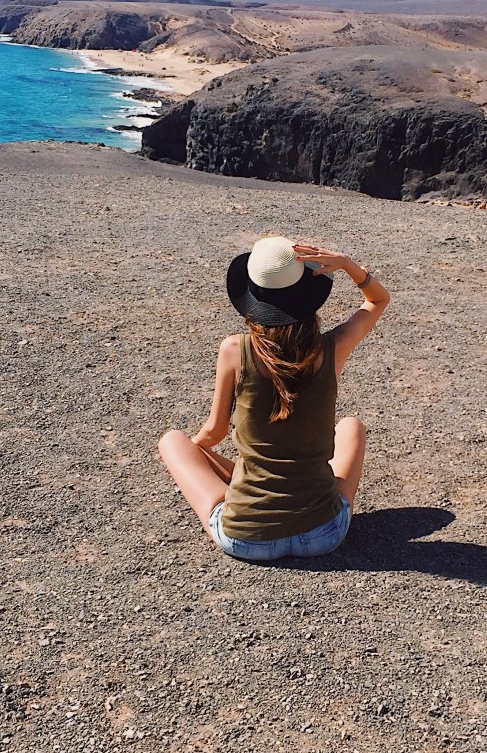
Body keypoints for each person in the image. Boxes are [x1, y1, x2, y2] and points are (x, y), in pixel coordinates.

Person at [158, 236, 390, 561]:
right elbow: (378, 301)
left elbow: (214, 433)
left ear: (253, 297)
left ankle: (245, 484)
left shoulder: (234, 350)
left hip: (246, 540)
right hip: (324, 535)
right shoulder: (332, 347)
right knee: (351, 426)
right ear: (308, 297)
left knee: (173, 442)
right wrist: (349, 265)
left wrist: (200, 456)